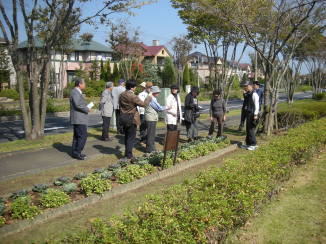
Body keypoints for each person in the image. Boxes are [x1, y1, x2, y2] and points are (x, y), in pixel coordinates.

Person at [119, 80, 152, 159]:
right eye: (135, 87)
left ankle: (127, 153)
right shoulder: (132, 96)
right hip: (132, 118)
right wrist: (149, 97)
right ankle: (129, 155)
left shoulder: (122, 94)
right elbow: (143, 104)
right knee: (131, 137)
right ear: (131, 87)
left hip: (123, 117)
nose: (135, 88)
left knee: (127, 136)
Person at [70, 77, 90, 160]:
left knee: (77, 136)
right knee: (82, 136)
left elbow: (79, 103)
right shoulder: (75, 92)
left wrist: (86, 106)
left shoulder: (77, 92)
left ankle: (75, 152)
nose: (85, 85)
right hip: (79, 118)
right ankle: (78, 152)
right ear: (79, 84)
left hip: (79, 117)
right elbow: (78, 104)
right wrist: (87, 108)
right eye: (84, 83)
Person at [144, 86, 169, 153]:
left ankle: (150, 148)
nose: (158, 94)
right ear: (154, 92)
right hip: (151, 118)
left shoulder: (152, 97)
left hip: (151, 117)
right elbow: (159, 108)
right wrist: (167, 107)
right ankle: (150, 149)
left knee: (151, 134)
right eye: (157, 92)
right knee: (151, 134)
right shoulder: (151, 98)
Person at [241, 81, 260, 150]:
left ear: (250, 86)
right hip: (248, 113)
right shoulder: (248, 93)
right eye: (244, 86)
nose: (245, 87)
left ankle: (253, 144)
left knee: (251, 129)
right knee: (248, 129)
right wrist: (244, 94)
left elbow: (257, 105)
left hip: (252, 114)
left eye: (246, 86)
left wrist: (255, 114)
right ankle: (248, 143)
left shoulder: (254, 94)